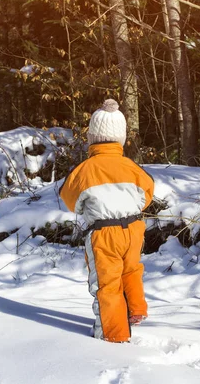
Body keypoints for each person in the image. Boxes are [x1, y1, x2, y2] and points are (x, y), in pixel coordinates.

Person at [59, 99, 154, 343]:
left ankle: (113, 335)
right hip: (134, 228)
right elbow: (148, 192)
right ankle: (135, 310)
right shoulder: (131, 166)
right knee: (131, 269)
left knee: (107, 283)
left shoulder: (85, 170)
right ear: (120, 138)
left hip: (103, 233)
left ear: (92, 137)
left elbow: (69, 200)